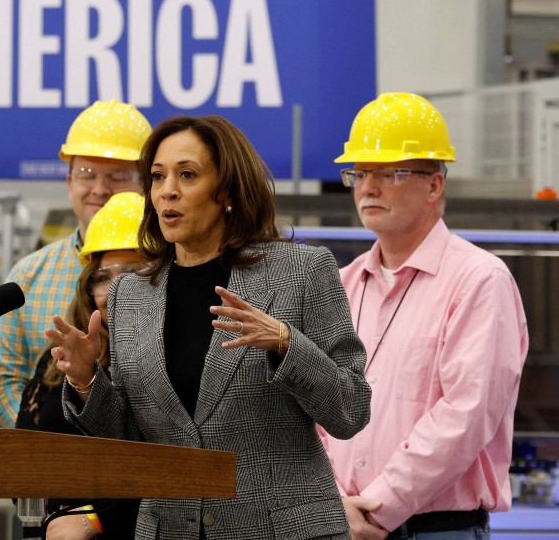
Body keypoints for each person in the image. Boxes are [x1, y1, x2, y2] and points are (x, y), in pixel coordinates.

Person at [49, 115, 371, 540]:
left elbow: (351, 411)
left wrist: (286, 343)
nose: (168, 190)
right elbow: (131, 441)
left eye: (187, 174)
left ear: (228, 191)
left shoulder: (301, 271)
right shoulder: (131, 294)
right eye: (157, 176)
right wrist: (87, 380)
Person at [322, 92, 528, 540]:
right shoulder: (341, 284)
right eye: (359, 173)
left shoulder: (479, 280)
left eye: (388, 173)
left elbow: (465, 416)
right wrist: (333, 505)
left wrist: (376, 510)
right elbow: (314, 408)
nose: (368, 188)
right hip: (340, 524)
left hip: (435, 530)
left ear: (434, 186)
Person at [0, 100, 151, 428]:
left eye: (118, 176)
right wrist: (42, 445)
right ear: (69, 182)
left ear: (148, 184)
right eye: (87, 175)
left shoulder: (171, 268)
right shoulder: (28, 275)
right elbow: (5, 380)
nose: (100, 189)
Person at [15, 191, 144, 540]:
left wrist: (92, 519)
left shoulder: (168, 358)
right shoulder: (61, 354)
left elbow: (167, 466)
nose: (114, 288)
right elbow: (26, 453)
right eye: (102, 277)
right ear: (88, 287)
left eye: (132, 273)